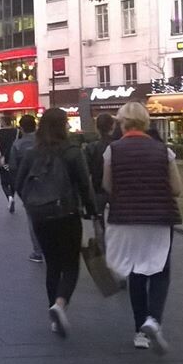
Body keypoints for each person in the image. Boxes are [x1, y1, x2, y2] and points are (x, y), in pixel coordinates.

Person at [103, 101, 182, 354]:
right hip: (159, 218)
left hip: (126, 218)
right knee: (160, 270)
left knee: (135, 271)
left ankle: (139, 331)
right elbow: (177, 188)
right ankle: (154, 319)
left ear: (122, 122)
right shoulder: (164, 151)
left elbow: (108, 187)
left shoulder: (112, 151)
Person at [15, 108, 97, 338]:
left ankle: (53, 312)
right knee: (71, 264)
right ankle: (60, 304)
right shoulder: (72, 151)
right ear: (63, 126)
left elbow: (19, 182)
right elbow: (84, 184)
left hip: (40, 215)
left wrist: (32, 205)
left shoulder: (32, 153)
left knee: (52, 264)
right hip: (66, 212)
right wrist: (92, 210)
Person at [10, 114, 44, 263]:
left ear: (21, 128)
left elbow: (12, 167)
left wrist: (17, 188)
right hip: (47, 183)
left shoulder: (17, 145)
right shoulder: (43, 142)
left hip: (27, 187)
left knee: (32, 219)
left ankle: (37, 252)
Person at [84, 113, 116, 223]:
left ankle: (101, 239)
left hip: (98, 189)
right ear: (112, 126)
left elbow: (86, 172)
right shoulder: (117, 145)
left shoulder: (91, 147)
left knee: (99, 219)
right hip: (116, 190)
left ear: (96, 127)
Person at [0, 115, 20, 212]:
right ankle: (12, 195)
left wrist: (0, 156)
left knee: (4, 182)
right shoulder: (16, 132)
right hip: (14, 158)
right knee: (13, 179)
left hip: (3, 159)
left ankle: (9, 197)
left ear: (3, 122)